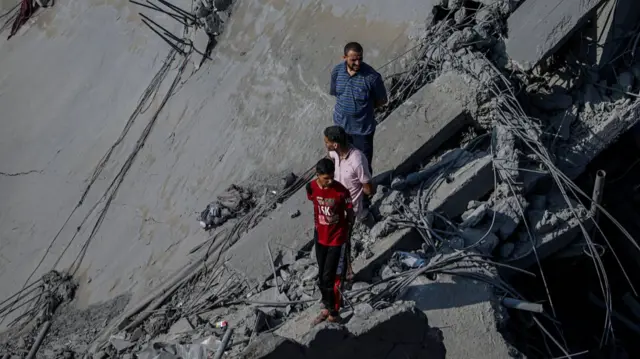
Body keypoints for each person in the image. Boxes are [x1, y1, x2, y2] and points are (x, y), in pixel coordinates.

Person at [306, 158, 354, 324]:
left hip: (336, 240)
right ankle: (326, 307)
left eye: (332, 176)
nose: (330, 180)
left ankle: (334, 313)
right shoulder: (311, 187)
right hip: (320, 237)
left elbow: (350, 213)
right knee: (322, 274)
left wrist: (346, 235)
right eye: (326, 178)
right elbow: (312, 199)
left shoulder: (341, 192)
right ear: (318, 176)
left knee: (332, 277)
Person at [330, 41, 388, 173]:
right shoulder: (337, 72)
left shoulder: (372, 77)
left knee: (362, 164)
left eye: (360, 59)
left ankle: (366, 192)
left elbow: (382, 100)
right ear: (344, 58)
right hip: (341, 127)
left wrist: (364, 109)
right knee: (341, 162)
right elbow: (336, 93)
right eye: (353, 60)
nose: (357, 63)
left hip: (362, 131)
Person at [323, 125, 376, 221]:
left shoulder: (357, 161)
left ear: (335, 145)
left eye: (327, 142)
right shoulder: (335, 152)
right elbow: (329, 156)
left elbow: (369, 189)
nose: (325, 145)